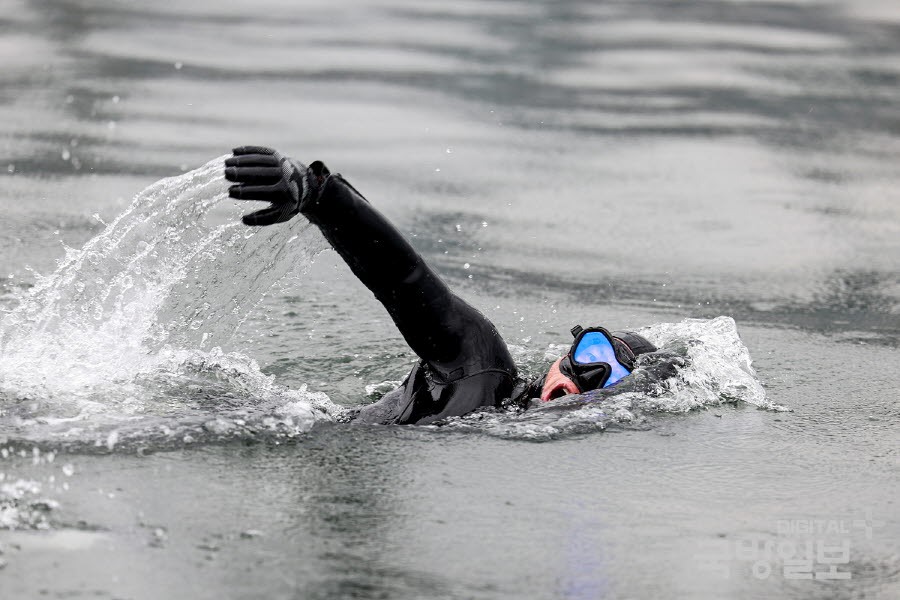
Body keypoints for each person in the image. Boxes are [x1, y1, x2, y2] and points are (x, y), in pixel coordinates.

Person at [224, 146, 657, 425]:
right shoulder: (481, 365)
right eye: (593, 353)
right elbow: (405, 280)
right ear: (564, 355)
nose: (591, 375)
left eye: (610, 376)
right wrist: (319, 194)